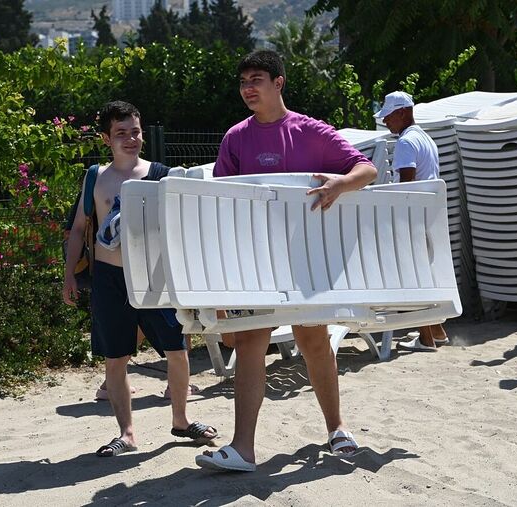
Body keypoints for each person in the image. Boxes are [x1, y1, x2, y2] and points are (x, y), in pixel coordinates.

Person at [195, 50, 377, 473]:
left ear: (279, 83)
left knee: (313, 342)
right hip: (256, 260)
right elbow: (222, 202)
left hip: (304, 262)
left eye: (256, 79)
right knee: (249, 341)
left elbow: (366, 170)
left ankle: (337, 429)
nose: (248, 88)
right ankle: (243, 449)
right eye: (243, 81)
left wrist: (342, 183)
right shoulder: (235, 137)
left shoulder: (309, 130)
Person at [62, 100, 217, 457]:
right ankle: (127, 434)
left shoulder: (161, 174)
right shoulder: (94, 178)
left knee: (177, 352)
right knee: (115, 359)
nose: (130, 139)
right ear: (106, 138)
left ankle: (181, 420)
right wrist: (69, 274)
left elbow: (185, 227)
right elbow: (79, 230)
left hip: (154, 278)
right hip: (109, 279)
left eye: (135, 131)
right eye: (121, 133)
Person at [376, 91, 450, 352]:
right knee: (424, 276)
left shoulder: (407, 143)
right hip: (428, 216)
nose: (386, 122)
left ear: (403, 113)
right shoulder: (425, 138)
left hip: (413, 218)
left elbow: (406, 186)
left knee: (415, 278)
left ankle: (427, 338)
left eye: (389, 116)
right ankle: (436, 332)